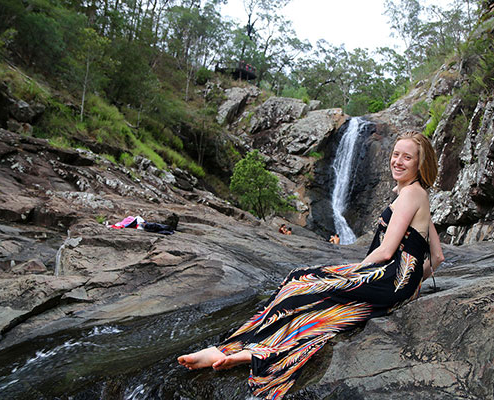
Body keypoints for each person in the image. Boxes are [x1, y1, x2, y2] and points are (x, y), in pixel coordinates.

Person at [178, 131, 445, 399]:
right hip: (397, 285)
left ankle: (235, 348)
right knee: (319, 306)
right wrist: (412, 284)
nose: (398, 161)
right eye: (395, 154)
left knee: (300, 283)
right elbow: (437, 256)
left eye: (407, 157)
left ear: (420, 163)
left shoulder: (411, 194)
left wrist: (359, 274)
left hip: (387, 280)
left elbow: (386, 251)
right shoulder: (415, 194)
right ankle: (251, 352)